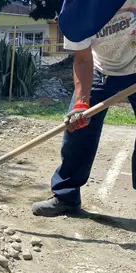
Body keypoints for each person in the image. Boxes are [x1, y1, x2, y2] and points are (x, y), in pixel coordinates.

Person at [32, 0, 136, 217]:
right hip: (101, 71)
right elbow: (82, 60)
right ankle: (66, 196)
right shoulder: (75, 13)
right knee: (77, 129)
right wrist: (81, 103)